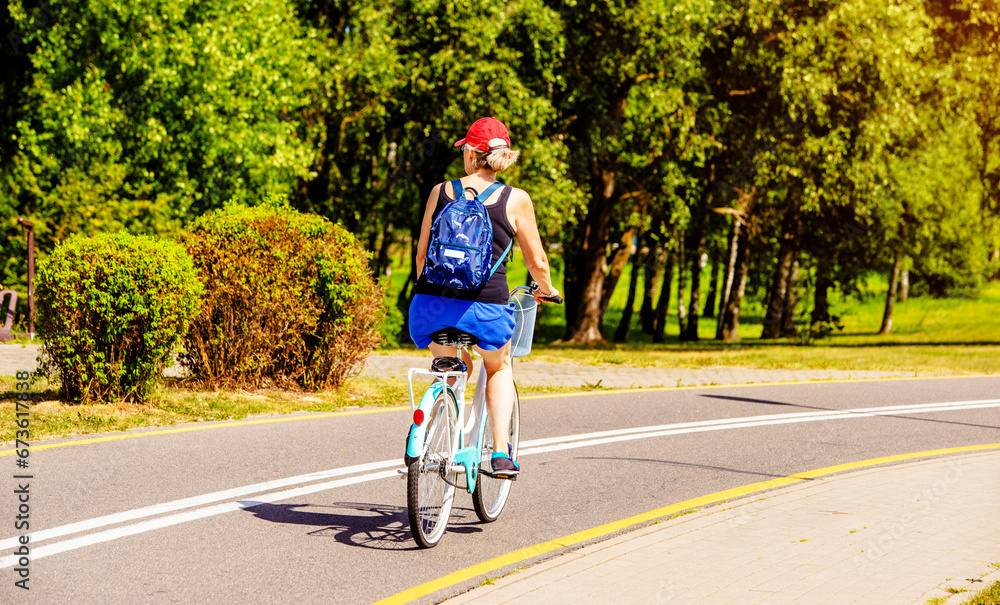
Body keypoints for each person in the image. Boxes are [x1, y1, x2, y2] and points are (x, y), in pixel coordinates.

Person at [409, 117, 559, 477]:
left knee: (450, 364)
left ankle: (437, 427)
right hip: (486, 308)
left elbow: (421, 254)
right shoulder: (515, 199)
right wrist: (548, 290)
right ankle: (500, 452)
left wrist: (431, 295)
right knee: (499, 366)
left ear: (472, 153)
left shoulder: (440, 191)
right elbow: (536, 260)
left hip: (429, 306)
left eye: (465, 149)